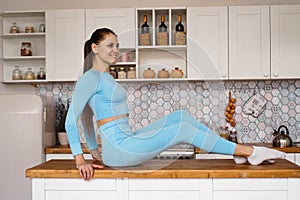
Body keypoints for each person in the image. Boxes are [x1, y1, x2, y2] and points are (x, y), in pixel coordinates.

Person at [65, 28, 286, 180]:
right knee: (182, 130)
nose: (116, 49)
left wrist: (94, 150)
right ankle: (249, 151)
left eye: (117, 45)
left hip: (127, 140)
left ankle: (237, 153)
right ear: (94, 48)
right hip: (121, 148)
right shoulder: (90, 77)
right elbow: (71, 121)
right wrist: (80, 159)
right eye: (109, 45)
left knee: (180, 116)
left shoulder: (106, 77)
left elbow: (86, 116)